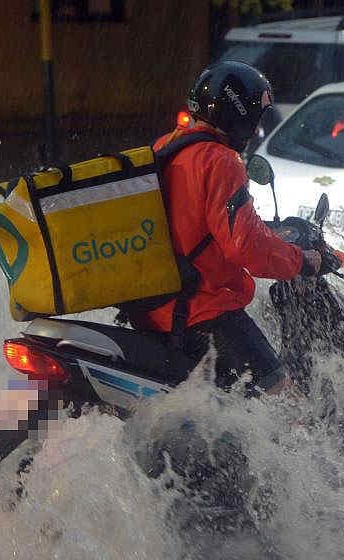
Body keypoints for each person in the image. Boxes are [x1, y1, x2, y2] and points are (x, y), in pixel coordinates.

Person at [128, 61, 325, 396]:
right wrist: (302, 260)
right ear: (241, 114)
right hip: (205, 311)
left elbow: (202, 223)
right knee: (283, 397)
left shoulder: (165, 147)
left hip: (156, 308)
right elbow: (244, 247)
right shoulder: (221, 161)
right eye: (255, 116)